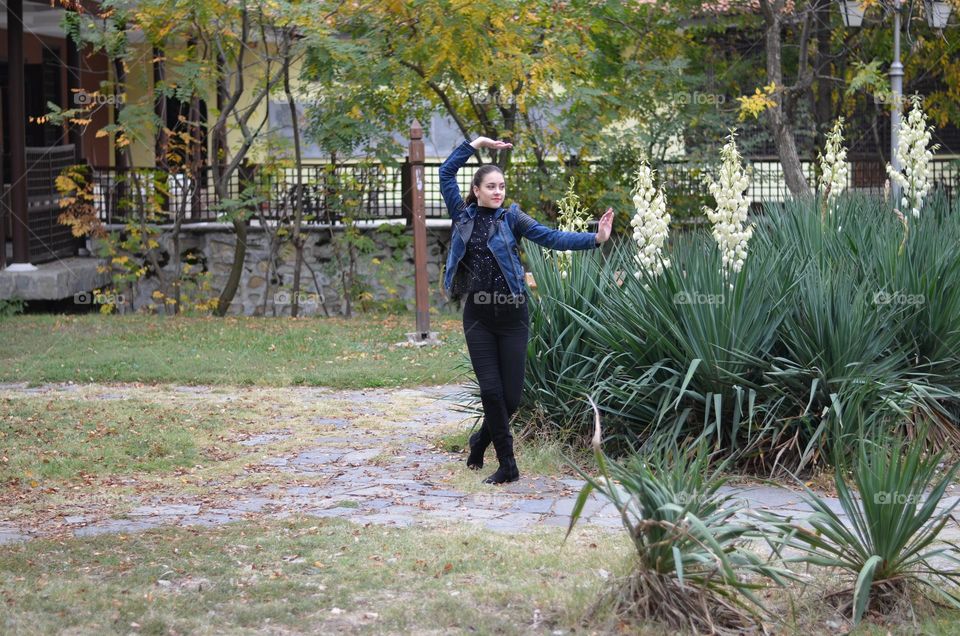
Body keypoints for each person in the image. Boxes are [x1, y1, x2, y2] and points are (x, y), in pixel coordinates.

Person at [439, 136, 614, 484]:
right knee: (491, 392)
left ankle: (479, 442)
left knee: (511, 399)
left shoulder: (512, 219)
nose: (498, 192)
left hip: (513, 316)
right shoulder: (462, 216)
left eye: (501, 186)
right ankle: (508, 465)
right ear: (476, 190)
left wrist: (595, 238)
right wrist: (475, 143)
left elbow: (551, 237)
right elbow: (446, 172)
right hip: (478, 317)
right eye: (491, 186)